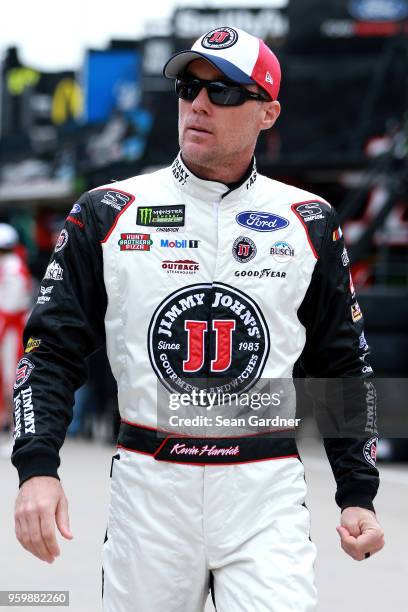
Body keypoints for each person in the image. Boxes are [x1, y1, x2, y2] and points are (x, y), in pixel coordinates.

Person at [12, 26, 384, 612]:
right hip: (151, 487)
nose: (200, 104)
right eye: (188, 88)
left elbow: (344, 365)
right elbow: (48, 353)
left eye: (226, 92)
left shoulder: (308, 220)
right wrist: (37, 467)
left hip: (264, 488)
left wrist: (357, 494)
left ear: (268, 113)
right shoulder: (109, 212)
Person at [0, 223, 31, 442]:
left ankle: (14, 431)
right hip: (7, 328)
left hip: (11, 331)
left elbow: (12, 306)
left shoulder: (13, 268)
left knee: (12, 380)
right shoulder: (11, 265)